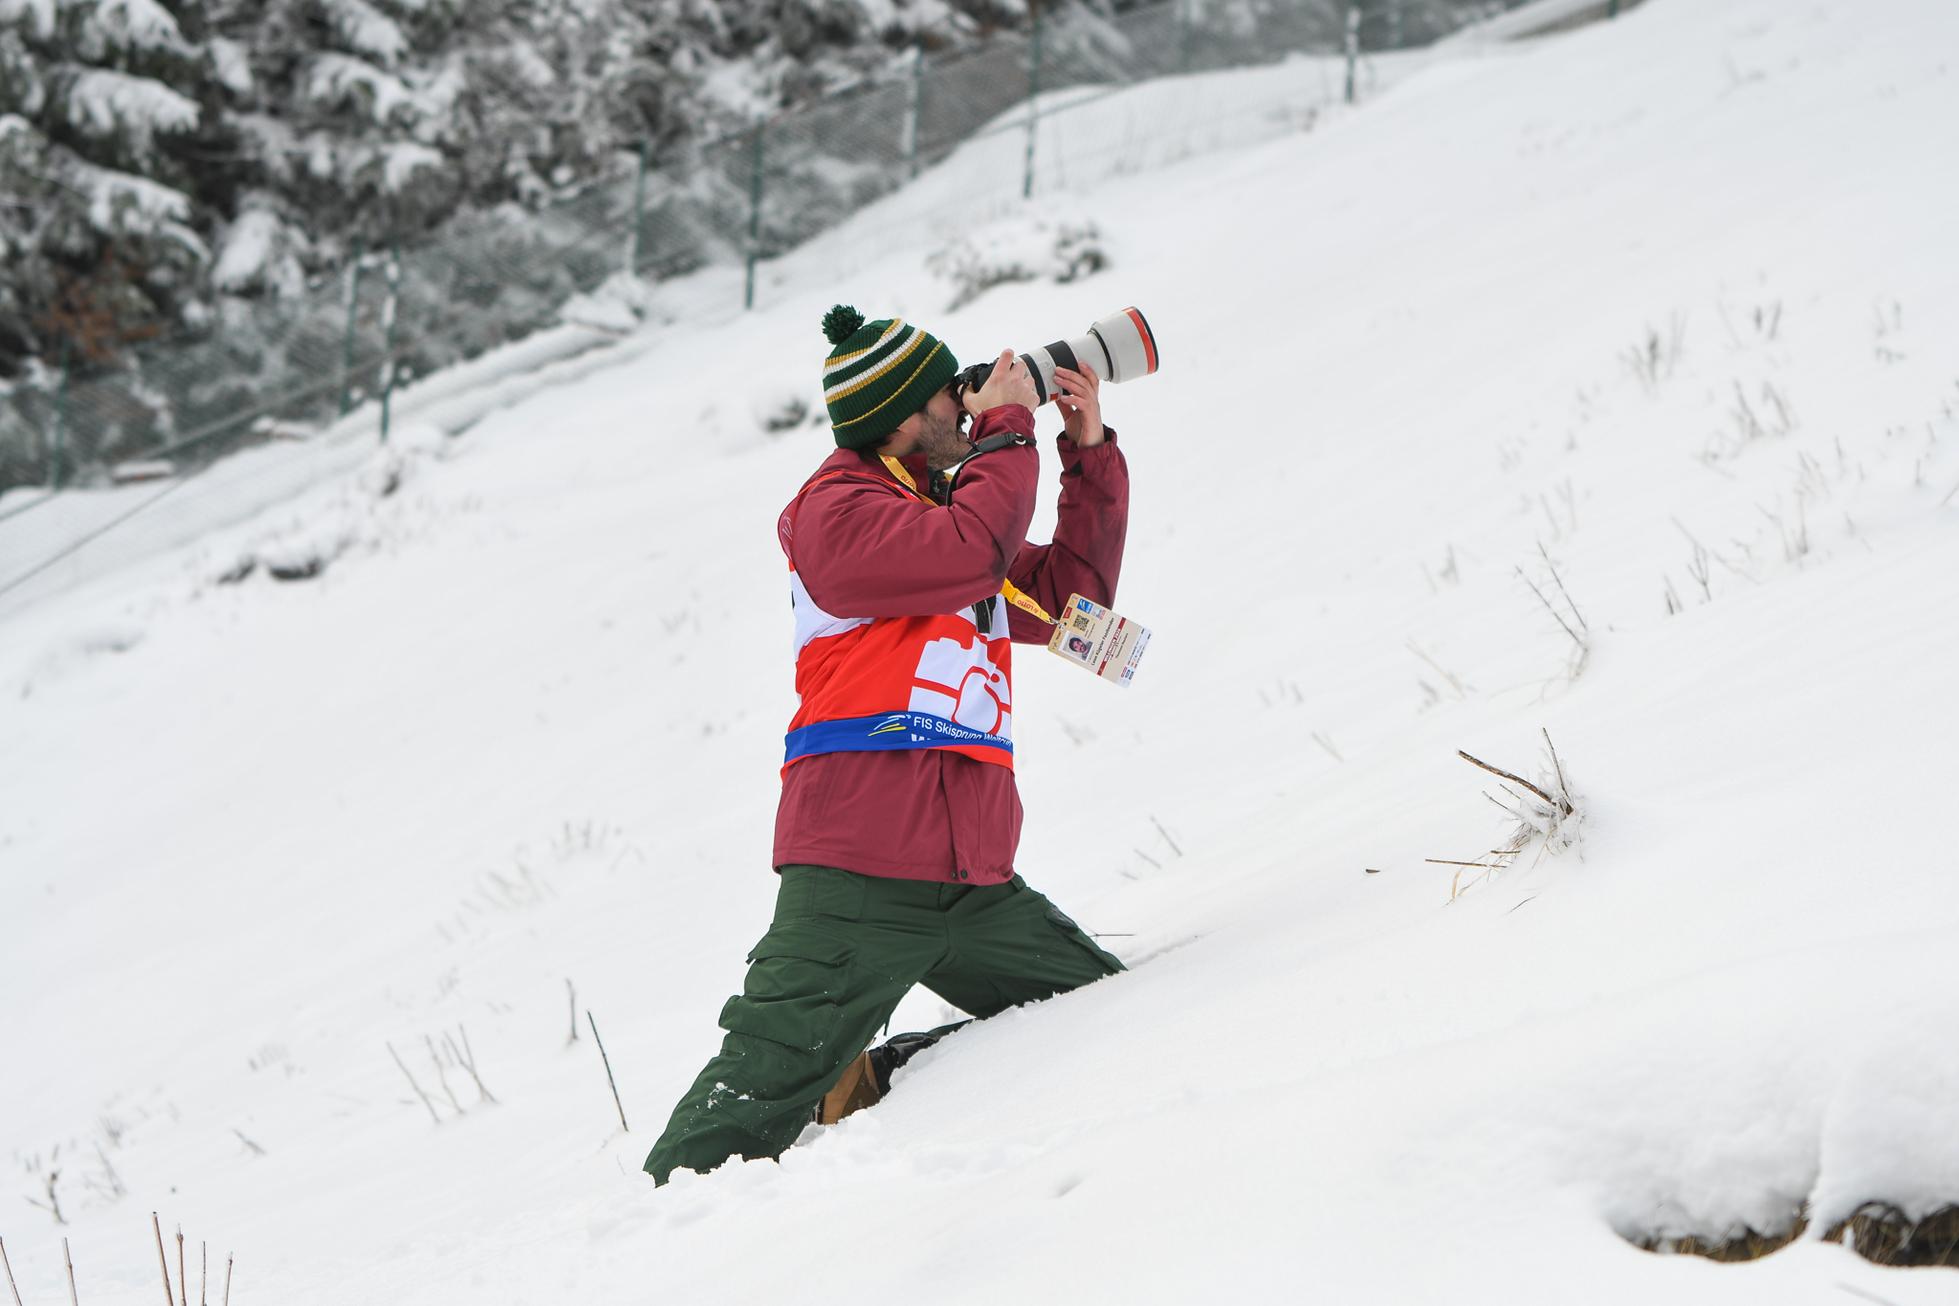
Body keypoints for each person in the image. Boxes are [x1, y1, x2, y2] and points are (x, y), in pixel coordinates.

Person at [643, 305, 1130, 1185]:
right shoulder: (836, 515)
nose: (965, 404)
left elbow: (1074, 606)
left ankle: (882, 1077)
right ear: (900, 416)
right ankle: (642, 1242)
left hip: (975, 881)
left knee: (1098, 1012)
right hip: (856, 873)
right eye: (950, 395)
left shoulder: (944, 517)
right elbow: (972, 552)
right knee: (741, 1113)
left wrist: (1086, 451)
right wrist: (1008, 424)